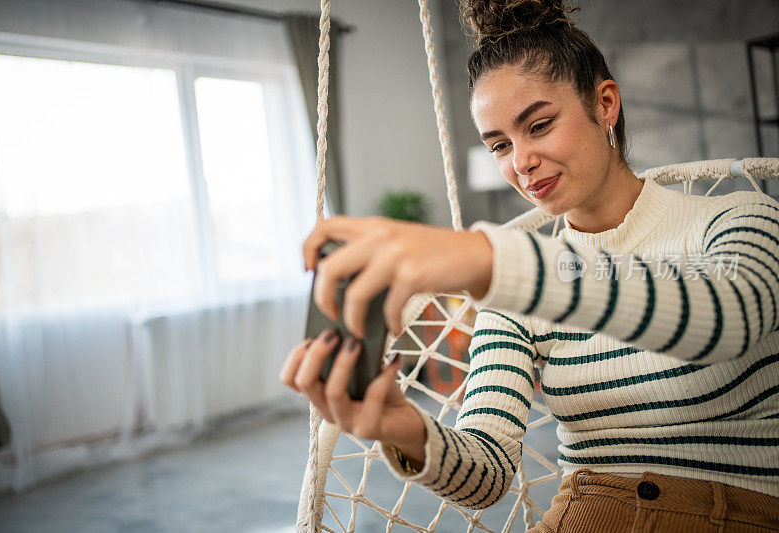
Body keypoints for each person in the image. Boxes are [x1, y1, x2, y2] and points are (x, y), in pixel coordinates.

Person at [280, 0, 779, 530]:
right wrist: (402, 427)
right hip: (588, 513)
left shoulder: (740, 218)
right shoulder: (513, 293)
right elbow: (487, 474)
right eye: (500, 144)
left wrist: (484, 258)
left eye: (539, 125)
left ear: (605, 103)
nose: (520, 162)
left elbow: (727, 319)